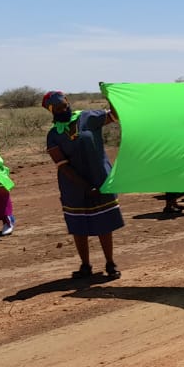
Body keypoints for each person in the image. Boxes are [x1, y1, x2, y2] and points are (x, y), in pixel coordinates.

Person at [41, 91, 123, 280]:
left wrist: (110, 95)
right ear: (51, 111)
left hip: (100, 178)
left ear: (68, 102)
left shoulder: (88, 117)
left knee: (104, 225)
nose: (64, 109)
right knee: (79, 227)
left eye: (64, 105)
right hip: (73, 186)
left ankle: (110, 263)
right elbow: (62, 165)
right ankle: (85, 265)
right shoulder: (53, 135)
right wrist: (85, 186)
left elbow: (114, 115)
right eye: (58, 108)